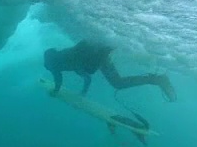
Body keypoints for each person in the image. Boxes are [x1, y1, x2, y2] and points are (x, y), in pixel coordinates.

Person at [43, 39, 177, 102]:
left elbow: (60, 77)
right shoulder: (64, 59)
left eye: (52, 69)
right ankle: (156, 77)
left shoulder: (63, 62)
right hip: (100, 53)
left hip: (100, 54)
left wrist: (57, 91)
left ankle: (156, 79)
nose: (54, 72)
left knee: (118, 83)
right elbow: (85, 77)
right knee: (119, 79)